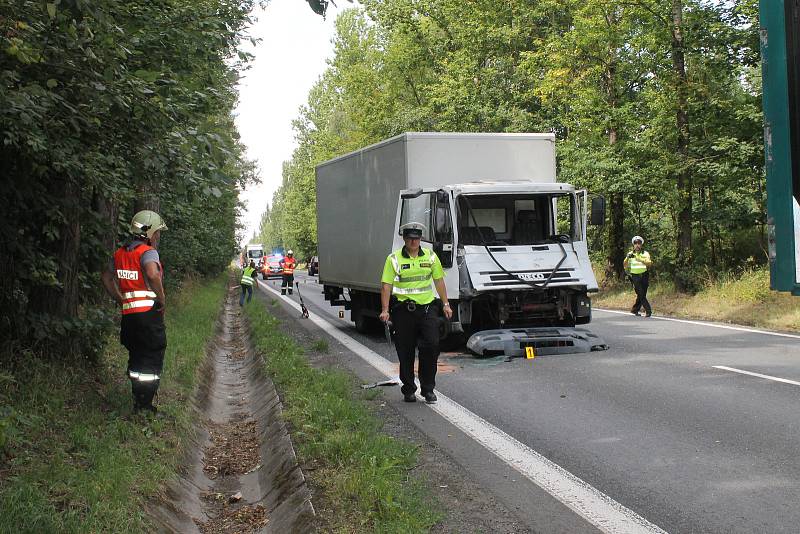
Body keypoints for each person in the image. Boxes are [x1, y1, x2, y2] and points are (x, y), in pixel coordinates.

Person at [101, 210, 167, 414]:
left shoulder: (120, 253)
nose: (157, 236)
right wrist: (162, 299)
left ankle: (138, 398)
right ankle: (145, 406)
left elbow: (106, 277)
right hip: (148, 315)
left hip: (129, 318)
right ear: (149, 232)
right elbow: (152, 273)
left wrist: (121, 299)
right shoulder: (147, 252)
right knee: (152, 356)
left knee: (137, 356)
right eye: (157, 232)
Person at [379, 222, 453, 404]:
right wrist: (385, 310)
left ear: (421, 239)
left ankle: (428, 389)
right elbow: (386, 286)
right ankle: (409, 388)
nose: (414, 241)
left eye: (417, 238)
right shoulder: (394, 259)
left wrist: (445, 303)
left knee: (431, 345)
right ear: (404, 239)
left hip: (427, 309)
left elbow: (439, 281)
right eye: (410, 238)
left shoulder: (430, 256)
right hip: (404, 311)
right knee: (406, 351)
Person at [623, 235, 653, 317]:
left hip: (644, 275)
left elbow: (649, 263)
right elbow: (624, 265)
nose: (637, 245)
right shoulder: (630, 254)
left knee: (642, 294)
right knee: (641, 293)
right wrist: (627, 258)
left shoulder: (645, 253)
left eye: (639, 243)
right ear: (633, 245)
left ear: (641, 244)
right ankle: (648, 311)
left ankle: (634, 309)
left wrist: (639, 259)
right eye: (635, 243)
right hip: (635, 276)